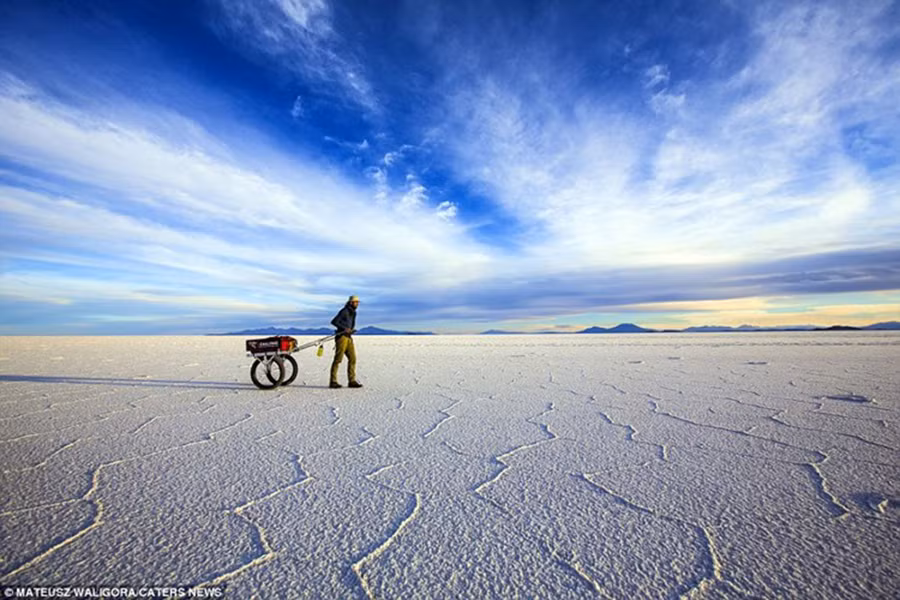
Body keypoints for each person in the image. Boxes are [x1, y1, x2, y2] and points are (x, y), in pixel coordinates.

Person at [329, 295, 362, 388]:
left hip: (348, 337)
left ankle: (352, 381)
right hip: (341, 337)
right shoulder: (344, 311)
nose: (357, 304)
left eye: (358, 302)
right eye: (356, 302)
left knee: (353, 358)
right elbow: (334, 321)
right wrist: (345, 328)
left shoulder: (353, 312)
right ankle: (333, 381)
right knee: (338, 359)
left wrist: (351, 330)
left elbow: (349, 325)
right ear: (351, 302)